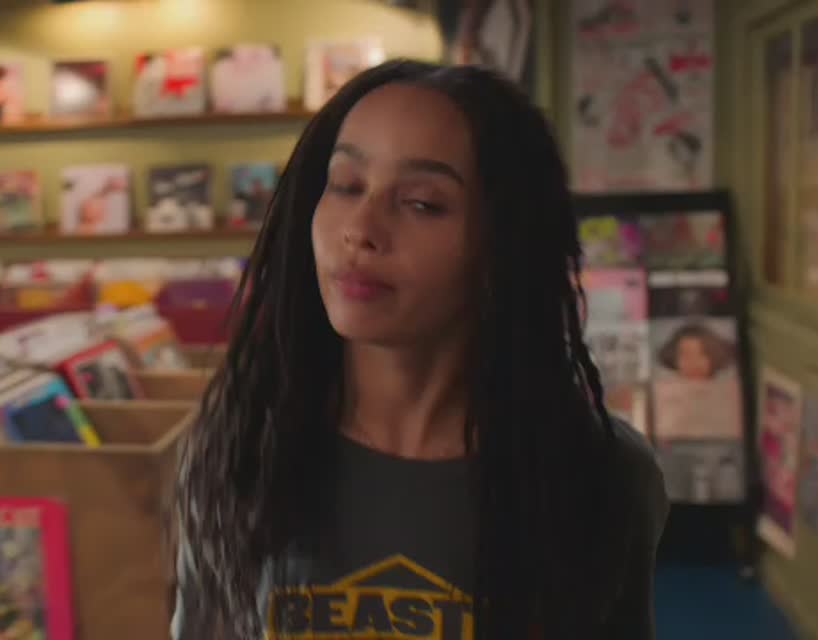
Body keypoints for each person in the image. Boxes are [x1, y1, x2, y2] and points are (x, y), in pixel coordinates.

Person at [171, 60, 669, 640]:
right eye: (346, 185)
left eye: (422, 203)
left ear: (503, 243)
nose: (361, 228)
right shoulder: (242, 446)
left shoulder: (601, 476)